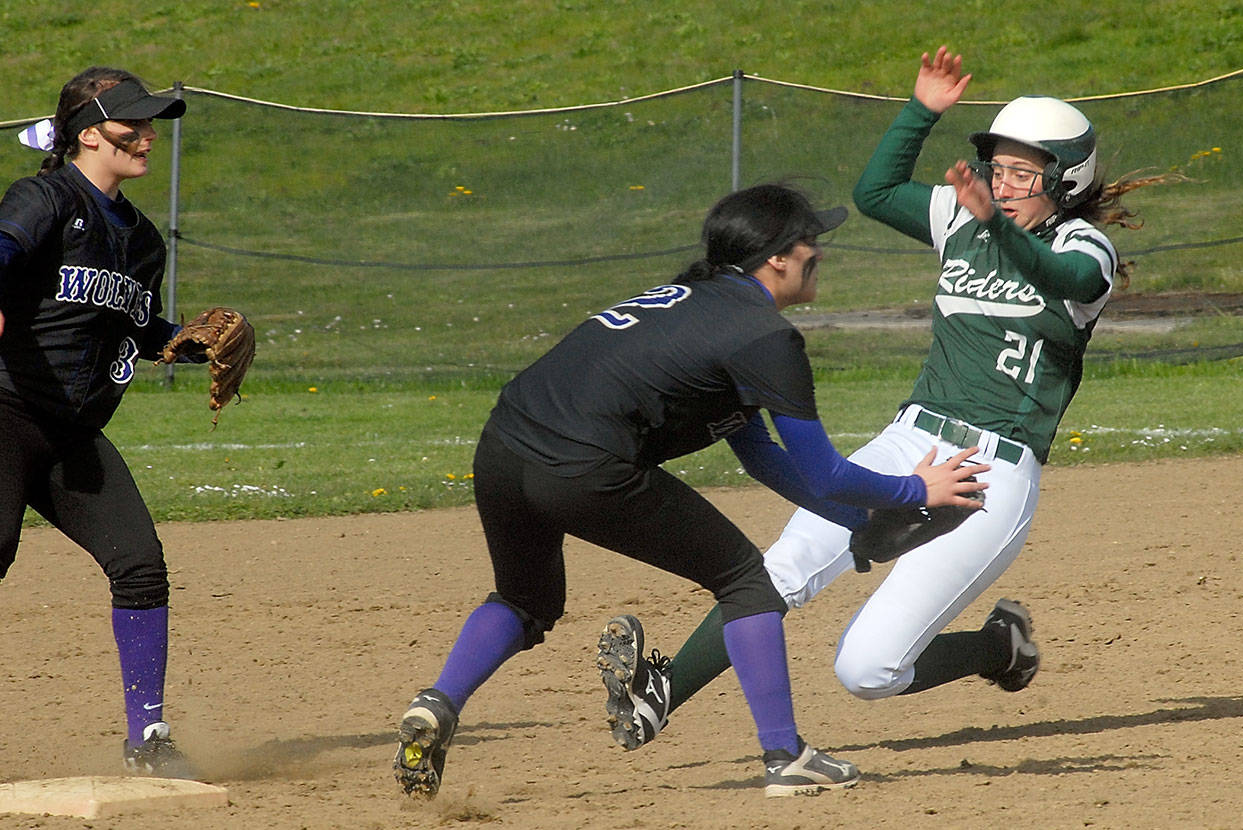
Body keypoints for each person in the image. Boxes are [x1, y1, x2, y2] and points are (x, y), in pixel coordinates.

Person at [599, 46, 1182, 755]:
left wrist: (993, 224)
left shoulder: (1084, 246)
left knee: (867, 669)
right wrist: (920, 112)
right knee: (784, 566)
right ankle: (662, 692)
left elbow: (1061, 274)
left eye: (1023, 173)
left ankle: (997, 648)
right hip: (914, 439)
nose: (1002, 185)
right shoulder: (968, 219)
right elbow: (874, 192)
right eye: (997, 168)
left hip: (993, 474)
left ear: (1065, 182)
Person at [392, 182, 989, 799]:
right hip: (584, 463)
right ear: (777, 257)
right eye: (809, 239)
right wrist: (913, 487)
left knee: (524, 599)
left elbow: (761, 457)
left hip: (503, 449)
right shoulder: (764, 337)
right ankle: (786, 757)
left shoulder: (700, 303)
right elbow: (823, 470)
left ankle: (437, 704)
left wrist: (857, 525)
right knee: (746, 583)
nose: (819, 251)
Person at [0, 67, 198, 777]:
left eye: (151, 123)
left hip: (72, 434)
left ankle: (148, 739)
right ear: (88, 134)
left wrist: (186, 342)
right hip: (5, 410)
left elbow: (137, 329)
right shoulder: (45, 195)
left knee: (140, 565)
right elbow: (4, 246)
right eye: (131, 123)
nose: (147, 134)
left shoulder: (142, 241)